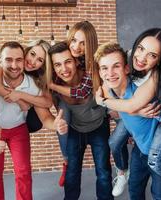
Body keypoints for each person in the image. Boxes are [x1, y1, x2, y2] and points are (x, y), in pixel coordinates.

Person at [95, 42, 161, 200]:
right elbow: (106, 95)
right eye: (104, 68)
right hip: (140, 151)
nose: (110, 73)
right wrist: (134, 111)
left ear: (126, 68)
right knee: (134, 191)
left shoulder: (146, 96)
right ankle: (122, 172)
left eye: (116, 66)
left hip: (158, 151)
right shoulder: (108, 90)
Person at [0, 41, 67, 200]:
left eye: (18, 60)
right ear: (0, 60)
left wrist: (56, 125)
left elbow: (45, 117)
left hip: (19, 131)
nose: (14, 65)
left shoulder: (32, 85)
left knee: (24, 172)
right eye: (8, 60)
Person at [47, 41, 113, 200]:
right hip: (74, 130)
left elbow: (82, 93)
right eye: (58, 65)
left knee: (103, 170)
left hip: (98, 126)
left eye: (68, 62)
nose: (64, 69)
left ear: (76, 60)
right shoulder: (53, 84)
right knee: (72, 172)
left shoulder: (89, 75)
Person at [48, 21, 98, 186]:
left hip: (86, 103)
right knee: (62, 125)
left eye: (83, 43)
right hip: (63, 101)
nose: (76, 47)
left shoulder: (91, 61)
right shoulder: (61, 51)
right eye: (74, 40)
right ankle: (66, 162)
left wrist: (54, 86)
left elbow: (83, 91)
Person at [0, 39, 52, 134]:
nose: (33, 61)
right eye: (32, 54)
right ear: (26, 51)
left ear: (43, 64)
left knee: (35, 125)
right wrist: (20, 101)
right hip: (1, 94)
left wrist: (21, 95)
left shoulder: (40, 75)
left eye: (40, 60)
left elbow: (48, 102)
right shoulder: (10, 57)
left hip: (23, 101)